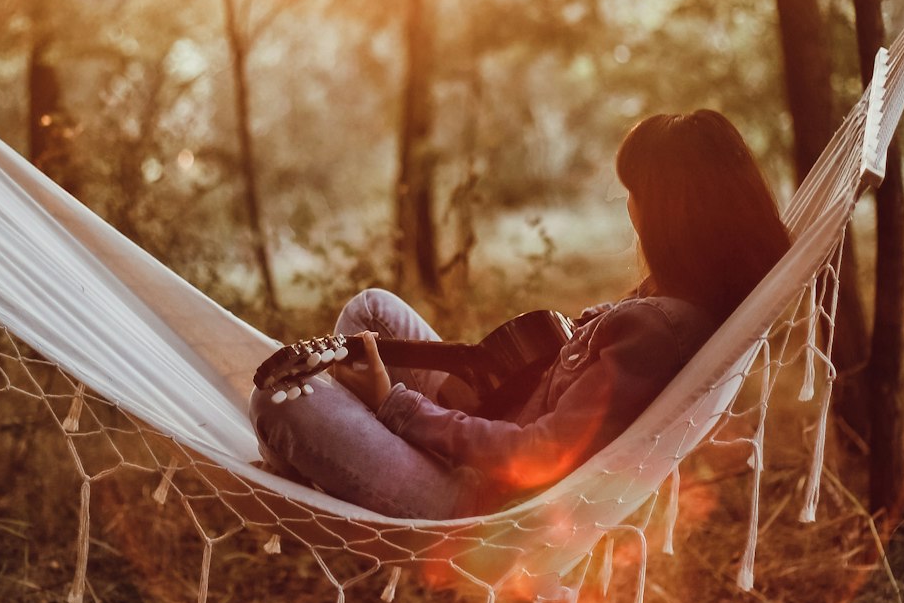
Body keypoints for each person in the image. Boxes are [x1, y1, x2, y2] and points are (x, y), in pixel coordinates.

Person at [249, 110, 791, 522]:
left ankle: (334, 459)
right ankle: (354, 449)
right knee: (372, 310)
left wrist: (393, 406)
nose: (630, 209)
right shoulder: (690, 301)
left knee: (280, 399)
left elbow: (540, 457)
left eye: (637, 194)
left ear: (675, 212)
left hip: (476, 498)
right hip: (491, 430)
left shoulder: (656, 330)